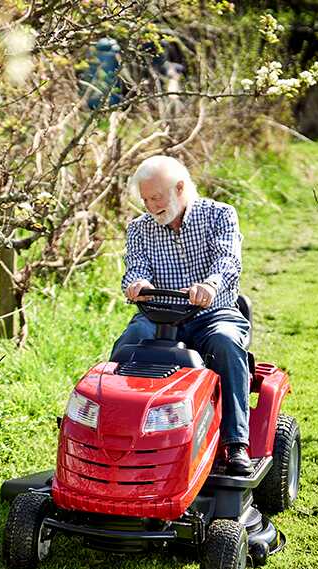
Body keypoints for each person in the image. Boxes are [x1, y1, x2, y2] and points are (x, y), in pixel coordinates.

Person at [112, 155, 252, 474]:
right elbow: (135, 268)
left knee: (225, 342)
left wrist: (210, 285)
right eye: (145, 200)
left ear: (179, 188)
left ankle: (236, 443)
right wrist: (137, 283)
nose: (151, 207)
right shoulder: (139, 229)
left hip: (213, 314)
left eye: (156, 198)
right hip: (158, 317)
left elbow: (228, 261)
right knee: (131, 340)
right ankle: (117, 432)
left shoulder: (219, 215)